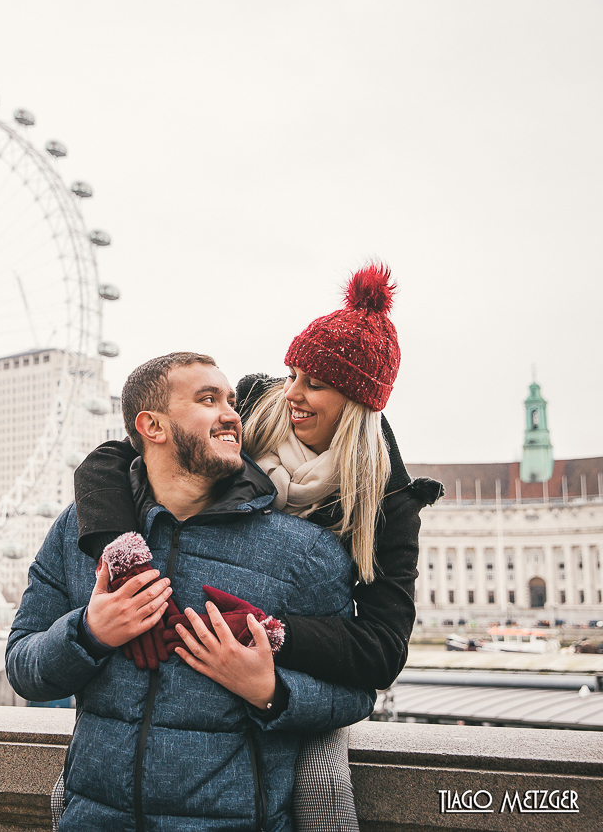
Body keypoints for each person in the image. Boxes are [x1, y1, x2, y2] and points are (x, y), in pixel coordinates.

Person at [72, 263, 443, 830]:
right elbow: (112, 458)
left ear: (357, 400)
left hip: (284, 666)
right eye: (293, 373)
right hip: (182, 636)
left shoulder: (387, 503)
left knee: (320, 785)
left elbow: (382, 650)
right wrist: (122, 553)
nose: (291, 393)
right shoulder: (250, 407)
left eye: (314, 383)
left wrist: (272, 635)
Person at [7, 351, 376, 832]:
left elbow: (355, 695)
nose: (231, 414)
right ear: (152, 426)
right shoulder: (77, 532)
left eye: (230, 400)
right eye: (208, 399)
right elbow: (22, 667)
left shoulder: (302, 551)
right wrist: (90, 632)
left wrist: (270, 691)